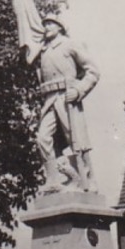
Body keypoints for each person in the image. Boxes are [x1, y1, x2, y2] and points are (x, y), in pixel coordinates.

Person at [34, 12, 100, 192]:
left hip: (67, 98)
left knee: (77, 140)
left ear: (59, 27)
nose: (46, 27)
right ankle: (53, 179)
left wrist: (79, 90)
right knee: (43, 138)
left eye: (50, 24)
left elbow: (92, 71)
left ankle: (88, 179)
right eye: (45, 24)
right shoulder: (43, 50)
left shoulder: (70, 44)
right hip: (49, 99)